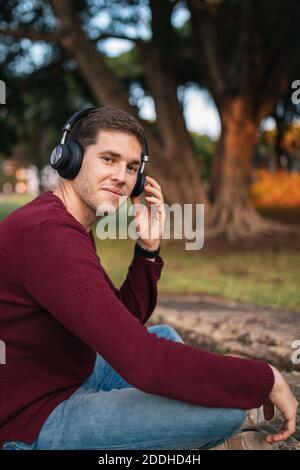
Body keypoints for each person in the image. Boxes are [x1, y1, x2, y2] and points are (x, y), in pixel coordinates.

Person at [0, 107, 297, 450]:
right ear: (71, 158)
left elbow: (122, 321)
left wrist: (147, 250)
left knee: (166, 337)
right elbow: (141, 361)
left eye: (131, 167)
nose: (122, 177)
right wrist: (265, 378)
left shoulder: (66, 223)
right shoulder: (48, 235)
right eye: (108, 159)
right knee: (224, 411)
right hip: (31, 419)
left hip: (66, 374)